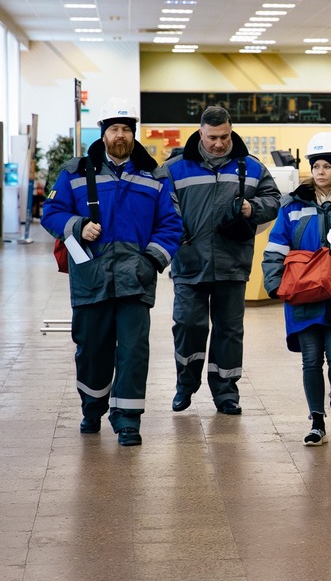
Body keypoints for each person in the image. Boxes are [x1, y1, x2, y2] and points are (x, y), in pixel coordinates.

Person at [42, 102, 182, 446]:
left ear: (134, 135)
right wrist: (77, 226)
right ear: (103, 134)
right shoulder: (75, 172)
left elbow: (171, 225)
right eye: (114, 129)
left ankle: (127, 420)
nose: (120, 136)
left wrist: (150, 261)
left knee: (134, 350)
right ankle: (92, 408)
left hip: (136, 278)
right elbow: (51, 212)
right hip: (92, 276)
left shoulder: (155, 176)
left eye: (126, 129)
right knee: (92, 348)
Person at [160, 106, 281, 415]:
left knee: (229, 331)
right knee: (188, 325)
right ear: (200, 133)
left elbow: (274, 200)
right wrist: (178, 234)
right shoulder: (174, 168)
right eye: (212, 137)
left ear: (231, 130)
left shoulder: (251, 167)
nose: (218, 143)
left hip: (233, 263)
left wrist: (252, 209)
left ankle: (226, 392)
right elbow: (162, 208)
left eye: (224, 136)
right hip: (190, 263)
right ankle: (185, 385)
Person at [262, 132, 331, 446]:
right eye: (316, 165)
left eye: (327, 166)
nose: (320, 171)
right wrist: (273, 282)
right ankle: (317, 420)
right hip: (303, 295)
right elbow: (276, 246)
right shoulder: (292, 205)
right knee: (311, 360)